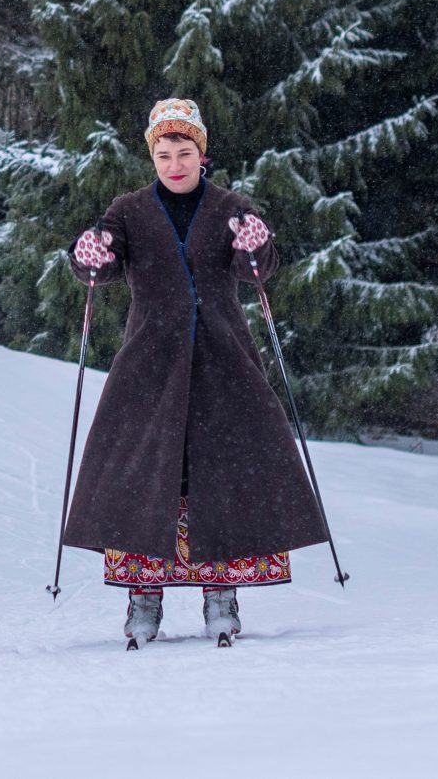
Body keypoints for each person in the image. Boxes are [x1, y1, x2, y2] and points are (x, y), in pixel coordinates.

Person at [63, 98, 330, 649]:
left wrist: (257, 247)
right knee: (144, 476)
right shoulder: (129, 209)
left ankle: (222, 597)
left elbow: (255, 270)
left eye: (184, 152)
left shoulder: (232, 206)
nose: (174, 163)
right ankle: (143, 600)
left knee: (223, 472)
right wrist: (89, 255)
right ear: (153, 158)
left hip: (223, 359)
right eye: (163, 154)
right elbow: (101, 267)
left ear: (201, 154)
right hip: (149, 363)